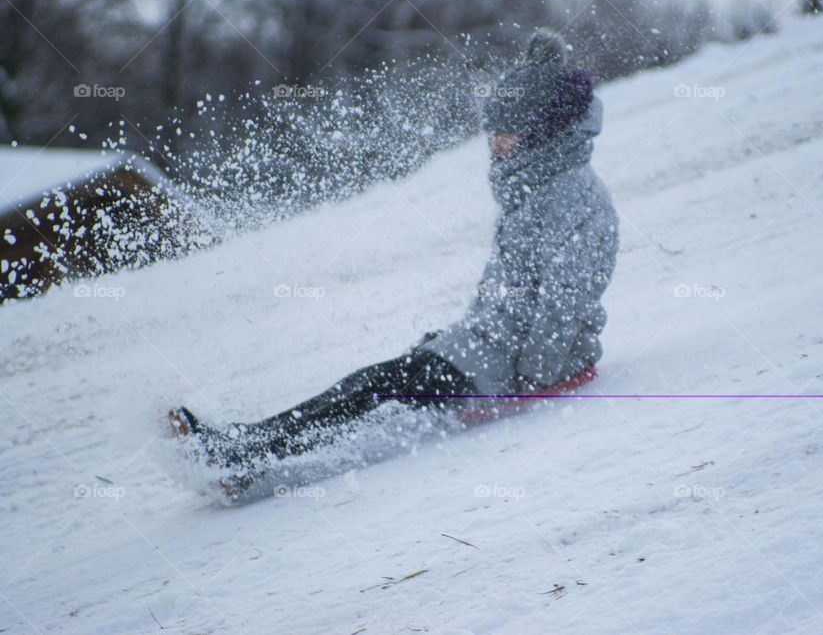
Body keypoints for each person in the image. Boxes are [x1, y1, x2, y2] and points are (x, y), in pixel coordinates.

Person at [169, 29, 619, 498]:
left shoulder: (577, 204)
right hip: (487, 348)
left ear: (541, 132)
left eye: (505, 133)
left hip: (525, 365)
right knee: (372, 383)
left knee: (373, 388)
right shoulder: (533, 191)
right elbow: (499, 291)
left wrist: (528, 380)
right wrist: (457, 340)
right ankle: (246, 452)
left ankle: (242, 456)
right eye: (492, 132)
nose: (494, 144)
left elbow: (562, 308)